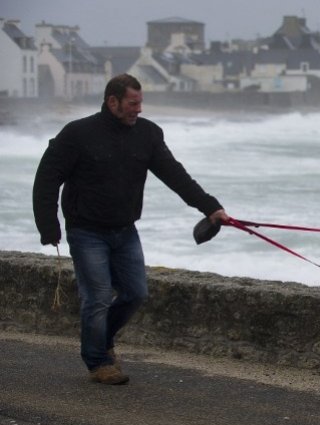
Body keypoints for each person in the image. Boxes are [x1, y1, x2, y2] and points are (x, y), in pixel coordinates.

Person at [32, 74, 230, 385]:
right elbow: (47, 178)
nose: (138, 109)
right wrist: (48, 226)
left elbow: (175, 175)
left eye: (140, 103)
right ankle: (98, 362)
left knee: (136, 293)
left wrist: (211, 207)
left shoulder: (148, 134)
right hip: (86, 230)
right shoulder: (78, 134)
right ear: (113, 102)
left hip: (125, 229)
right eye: (132, 103)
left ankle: (102, 340)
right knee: (96, 296)